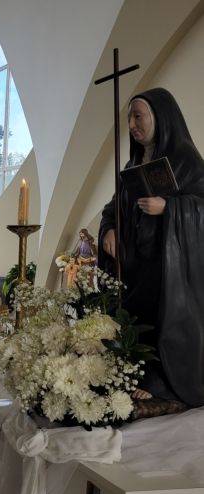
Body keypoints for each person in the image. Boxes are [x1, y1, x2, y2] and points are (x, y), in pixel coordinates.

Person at [98, 88, 204, 406]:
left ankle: (164, 383)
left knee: (163, 320)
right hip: (137, 265)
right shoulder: (134, 163)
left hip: (171, 268)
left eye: (138, 116)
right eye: (130, 118)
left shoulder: (186, 162)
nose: (132, 124)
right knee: (135, 318)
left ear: (160, 117)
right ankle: (138, 375)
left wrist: (168, 208)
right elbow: (113, 207)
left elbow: (202, 207)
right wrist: (110, 229)